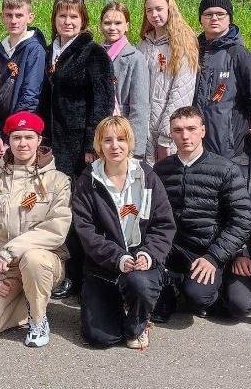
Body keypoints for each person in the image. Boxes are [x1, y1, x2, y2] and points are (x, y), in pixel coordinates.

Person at [0, 111, 71, 347]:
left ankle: (38, 318)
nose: (23, 143)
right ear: (8, 142)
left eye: (29, 137)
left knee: (33, 258)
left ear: (39, 140)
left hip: (42, 263)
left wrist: (11, 250)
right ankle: (26, 302)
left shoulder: (58, 181)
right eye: (16, 137)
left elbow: (56, 229)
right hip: (3, 268)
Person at [73, 116, 175, 350]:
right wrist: (117, 257)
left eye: (121, 139)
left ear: (130, 143)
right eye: (107, 140)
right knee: (101, 338)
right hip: (103, 266)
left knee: (139, 285)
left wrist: (148, 254)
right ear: (99, 145)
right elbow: (86, 231)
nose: (114, 145)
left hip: (142, 265)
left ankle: (141, 318)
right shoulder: (88, 180)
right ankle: (116, 302)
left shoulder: (148, 177)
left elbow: (164, 225)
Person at [38, 0, 114, 299]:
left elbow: (102, 103)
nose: (67, 22)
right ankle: (58, 269)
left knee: (79, 210)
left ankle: (81, 275)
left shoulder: (94, 54)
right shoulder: (48, 52)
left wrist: (91, 144)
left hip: (79, 147)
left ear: (82, 21)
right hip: (52, 144)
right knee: (53, 210)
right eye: (62, 16)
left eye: (73, 17)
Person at [152, 106, 251, 321]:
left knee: (202, 298)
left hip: (208, 250)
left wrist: (215, 257)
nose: (185, 136)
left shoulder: (225, 169)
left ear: (203, 131)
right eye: (177, 130)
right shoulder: (161, 170)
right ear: (171, 133)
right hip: (172, 249)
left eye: (191, 128)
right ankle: (171, 286)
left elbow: (242, 219)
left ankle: (218, 284)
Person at [193, 0, 251, 185]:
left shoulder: (238, 53)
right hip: (195, 144)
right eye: (208, 14)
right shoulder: (193, 51)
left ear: (229, 18)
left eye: (220, 14)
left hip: (231, 149)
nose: (214, 18)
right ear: (201, 18)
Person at [136, 0, 198, 165]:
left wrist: (167, 133)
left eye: (159, 9)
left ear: (170, 10)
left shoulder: (183, 44)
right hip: (144, 128)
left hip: (168, 131)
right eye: (149, 10)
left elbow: (182, 92)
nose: (154, 15)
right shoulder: (143, 45)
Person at [0, 0, 47, 160]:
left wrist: (11, 135)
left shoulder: (34, 50)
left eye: (19, 15)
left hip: (19, 131)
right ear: (2, 17)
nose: (13, 20)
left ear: (30, 17)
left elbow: (30, 96)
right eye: (9, 15)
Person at [99, 2, 150, 158]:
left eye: (118, 23)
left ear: (127, 26)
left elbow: (140, 106)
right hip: (101, 131)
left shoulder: (135, 58)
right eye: (107, 23)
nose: (112, 27)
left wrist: (136, 149)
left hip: (123, 131)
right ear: (100, 25)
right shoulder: (96, 54)